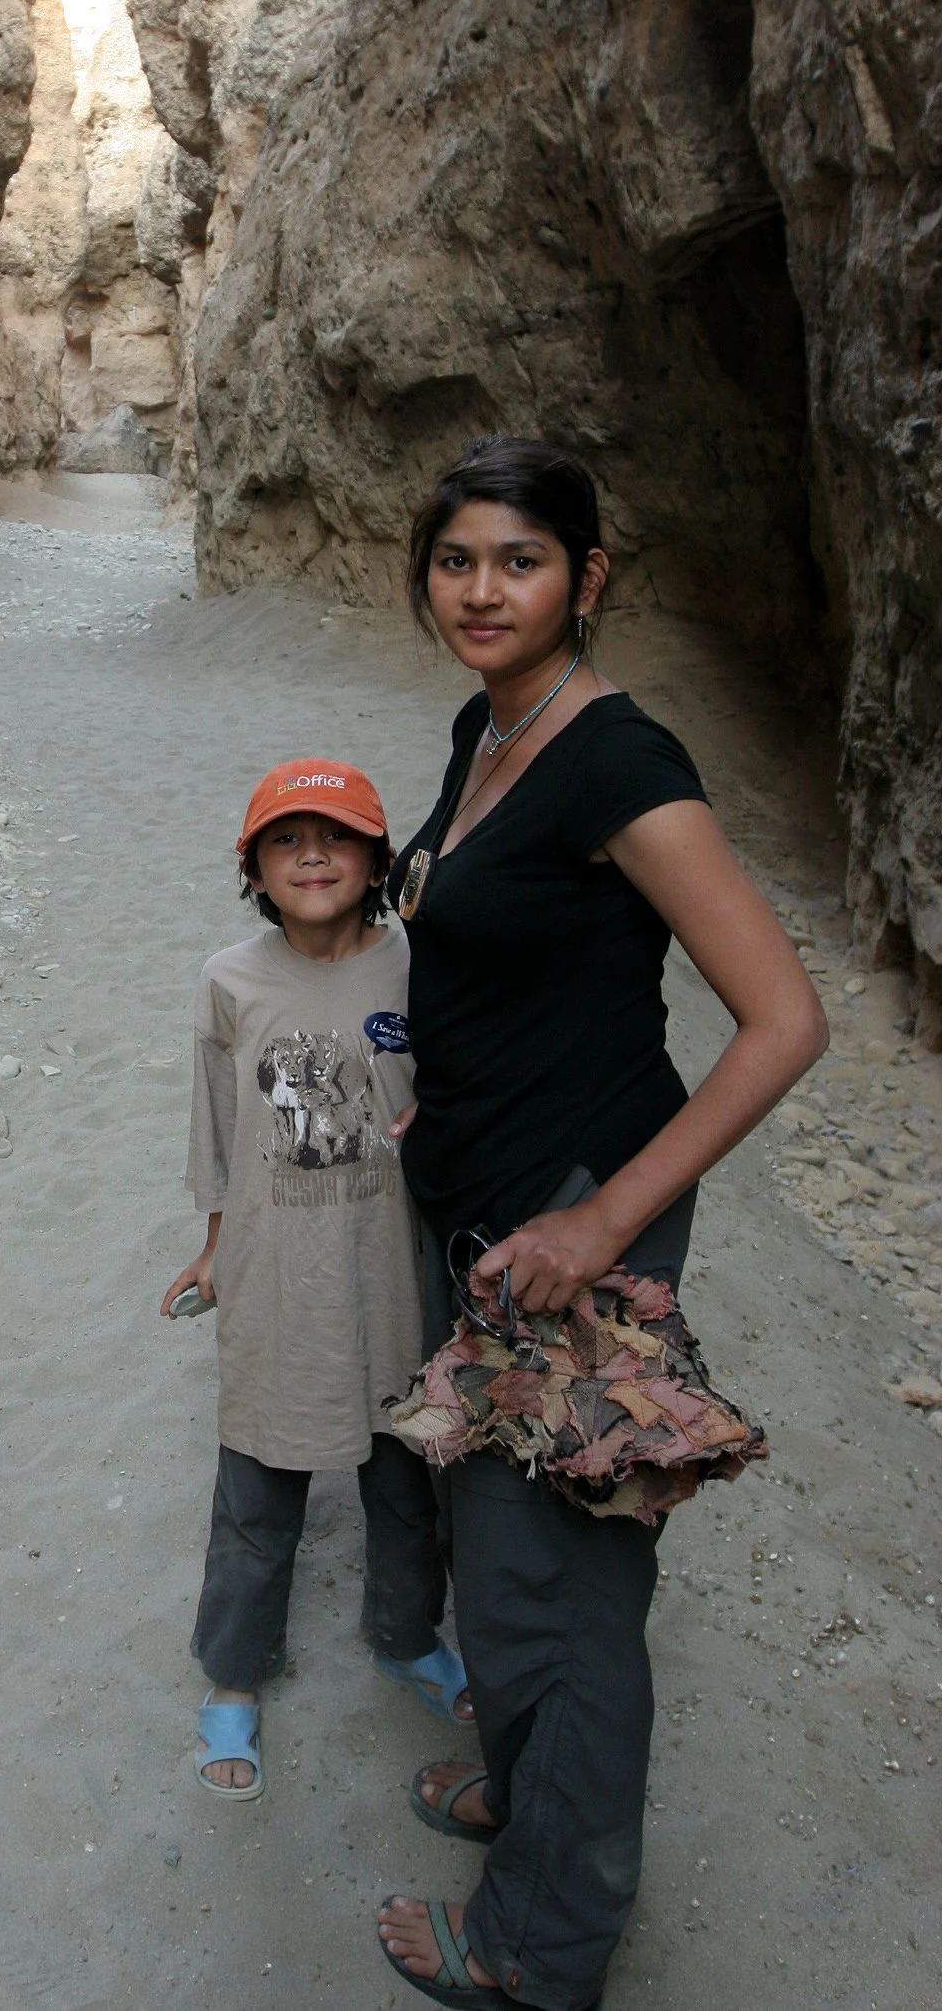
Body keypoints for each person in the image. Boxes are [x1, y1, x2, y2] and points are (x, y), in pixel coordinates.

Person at [373, 439, 828, 2009]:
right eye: (456, 560)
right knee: (505, 1554)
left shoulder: (620, 761)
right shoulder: (489, 726)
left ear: (589, 577)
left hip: (575, 1222)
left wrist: (603, 1221)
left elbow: (785, 1021)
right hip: (489, 1204)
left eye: (521, 561)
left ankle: (538, 1948)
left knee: (557, 1591)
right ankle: (524, 1786)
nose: (482, 590)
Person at [162, 757, 472, 1802]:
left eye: (337, 836)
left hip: (395, 1277)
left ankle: (405, 1636)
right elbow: (215, 1131)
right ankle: (234, 1673)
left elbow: (462, 1090)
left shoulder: (416, 968)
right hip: (274, 1280)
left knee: (407, 1486)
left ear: (379, 863)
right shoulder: (228, 980)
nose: (311, 855)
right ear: (252, 868)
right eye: (285, 839)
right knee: (257, 1491)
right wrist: (215, 1246)